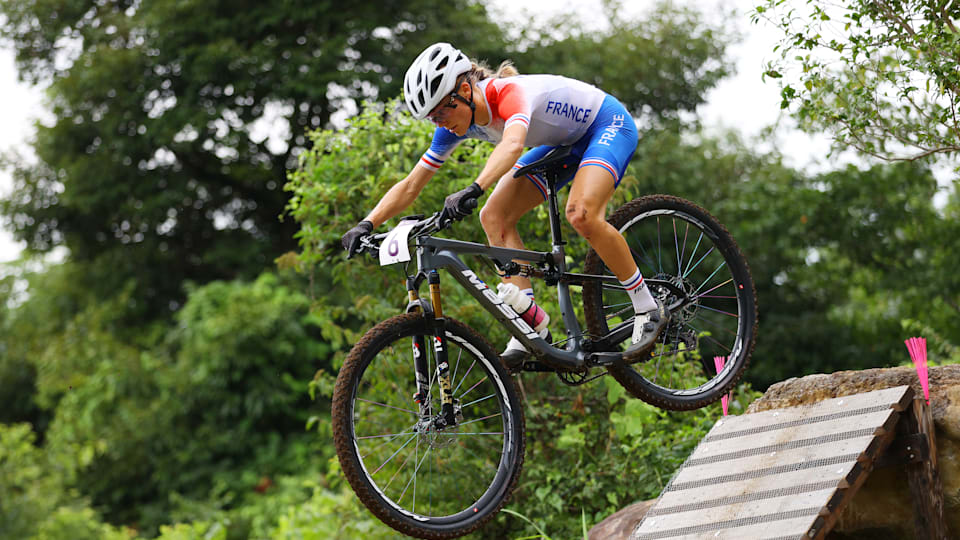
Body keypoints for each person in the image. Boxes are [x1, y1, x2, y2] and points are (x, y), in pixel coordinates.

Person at [341, 42, 668, 365]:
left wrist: (475, 187)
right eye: (432, 117)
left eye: (442, 111)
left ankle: (647, 306)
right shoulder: (454, 124)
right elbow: (412, 183)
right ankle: (530, 320)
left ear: (466, 90)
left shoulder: (507, 93)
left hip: (606, 125)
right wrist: (367, 223)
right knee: (493, 216)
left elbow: (513, 144)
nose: (440, 123)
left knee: (580, 213)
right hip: (565, 142)